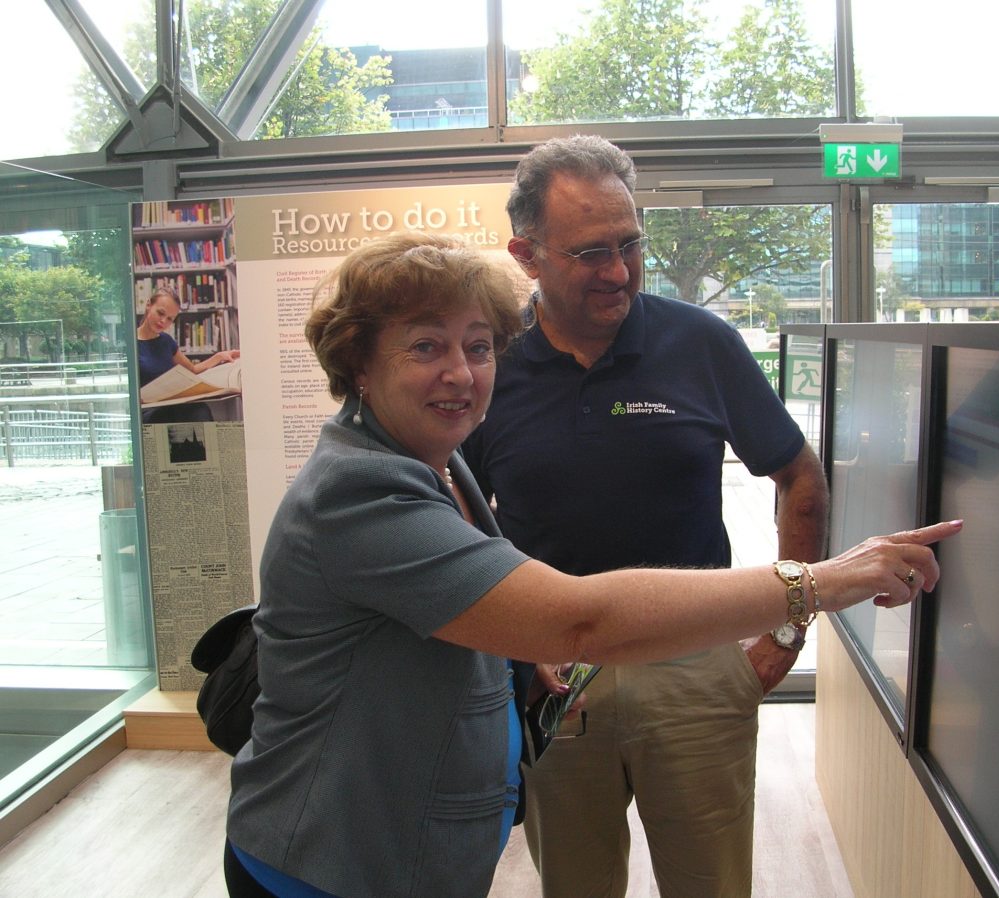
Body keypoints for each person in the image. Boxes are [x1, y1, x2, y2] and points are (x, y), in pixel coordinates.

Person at [223, 231, 960, 898]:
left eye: (478, 348)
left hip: (405, 849)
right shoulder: (360, 489)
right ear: (358, 365)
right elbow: (579, 619)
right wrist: (819, 584)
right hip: (329, 864)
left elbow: (467, 589)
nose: (461, 373)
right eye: (425, 348)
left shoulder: (436, 464)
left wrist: (519, 664)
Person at [462, 133, 830, 898]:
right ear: (526, 256)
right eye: (591, 252)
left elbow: (799, 475)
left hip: (697, 673)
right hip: (556, 684)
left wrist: (784, 635)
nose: (620, 270)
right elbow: (462, 520)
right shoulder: (489, 365)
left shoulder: (700, 343)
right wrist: (507, 650)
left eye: (631, 244)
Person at [136, 285, 240, 423]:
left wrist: (219, 357)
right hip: (146, 410)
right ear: (149, 305)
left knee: (200, 410)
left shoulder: (166, 341)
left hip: (170, 405)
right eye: (160, 313)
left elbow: (192, 370)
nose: (163, 321)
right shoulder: (131, 344)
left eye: (170, 319)